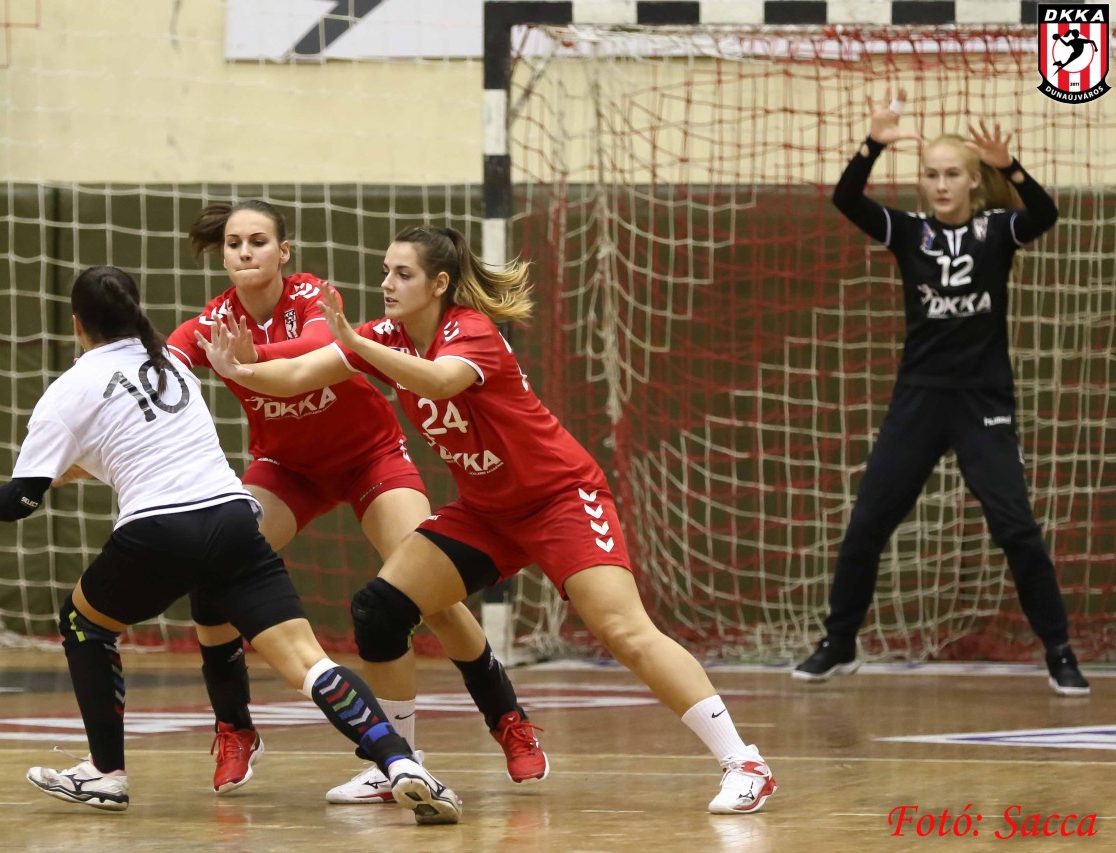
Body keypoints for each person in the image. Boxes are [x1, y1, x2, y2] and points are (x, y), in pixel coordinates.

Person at [197, 226, 778, 815]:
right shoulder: (385, 337)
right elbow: (298, 375)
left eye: (403, 274)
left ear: (438, 284)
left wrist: (354, 343)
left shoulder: (468, 330)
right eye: (385, 272)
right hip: (485, 511)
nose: (387, 284)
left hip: (559, 499)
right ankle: (396, 763)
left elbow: (439, 380)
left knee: (623, 630)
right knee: (380, 609)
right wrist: (240, 370)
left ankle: (745, 762)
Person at [0, 265, 460, 824]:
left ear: (77, 325)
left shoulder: (69, 389)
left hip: (158, 531)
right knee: (310, 663)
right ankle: (400, 762)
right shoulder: (172, 363)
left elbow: (22, 498)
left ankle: (105, 773)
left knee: (83, 623)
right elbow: (130, 446)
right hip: (233, 518)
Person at [162, 200, 546, 799]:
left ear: (283, 252)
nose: (244, 252)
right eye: (234, 243)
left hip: (369, 458)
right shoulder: (213, 322)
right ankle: (237, 727)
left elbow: (315, 349)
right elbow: (160, 369)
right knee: (213, 571)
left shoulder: (312, 296)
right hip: (287, 471)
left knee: (426, 591)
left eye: (258, 241)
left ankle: (508, 720)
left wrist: (246, 360)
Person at [792, 90, 1088, 697]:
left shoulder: (997, 230)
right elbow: (846, 198)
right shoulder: (909, 232)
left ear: (973, 181)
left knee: (1016, 529)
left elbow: (1044, 214)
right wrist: (872, 144)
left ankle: (1059, 651)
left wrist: (1011, 168)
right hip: (920, 401)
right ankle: (839, 643)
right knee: (867, 524)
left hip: (982, 403)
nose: (941, 185)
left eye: (953, 174)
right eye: (931, 175)